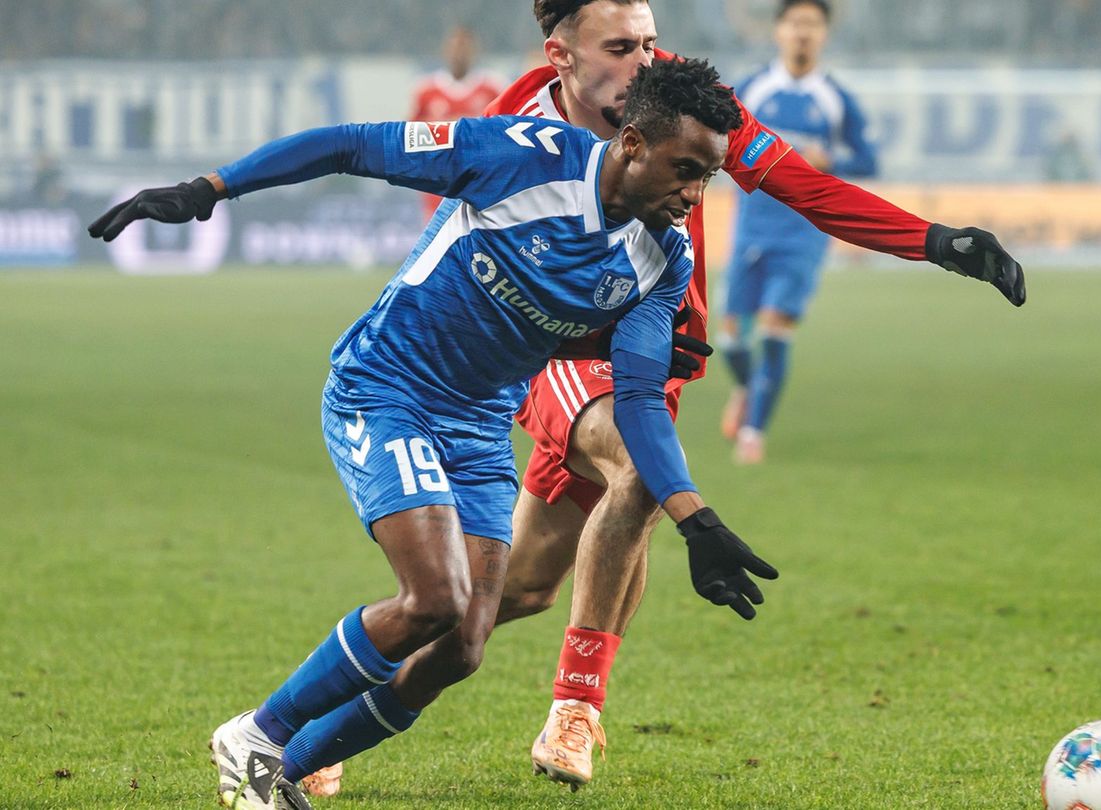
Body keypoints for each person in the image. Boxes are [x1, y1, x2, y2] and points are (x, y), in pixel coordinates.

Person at [308, 0, 1025, 795]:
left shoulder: (684, 101)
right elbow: (457, 241)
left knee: (512, 595)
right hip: (562, 351)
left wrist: (932, 241)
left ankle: (322, 728)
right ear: (564, 52)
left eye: (649, 40)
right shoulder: (516, 115)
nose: (643, 59)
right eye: (621, 45)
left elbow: (800, 184)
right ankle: (576, 708)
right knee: (644, 474)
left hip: (655, 351)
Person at [88, 58, 778, 810]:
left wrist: (695, 520)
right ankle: (258, 735)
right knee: (434, 599)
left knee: (463, 645)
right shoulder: (521, 157)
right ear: (632, 142)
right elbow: (354, 143)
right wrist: (210, 189)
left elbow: (641, 401)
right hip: (387, 390)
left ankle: (286, 770)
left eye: (708, 177)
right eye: (684, 169)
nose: (693, 194)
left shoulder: (662, 261)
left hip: (479, 427)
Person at [718, 0, 878, 464]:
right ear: (779, 31)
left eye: (812, 25)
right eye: (795, 23)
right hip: (752, 225)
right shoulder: (753, 88)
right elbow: (717, 138)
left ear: (823, 35)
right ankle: (751, 389)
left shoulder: (836, 99)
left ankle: (753, 434)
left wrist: (834, 164)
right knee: (730, 338)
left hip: (805, 231)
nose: (803, 33)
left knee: (773, 329)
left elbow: (868, 160)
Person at [409, 25, 505, 219]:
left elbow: (504, 132)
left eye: (464, 48)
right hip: (439, 184)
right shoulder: (427, 91)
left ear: (473, 51)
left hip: (479, 182)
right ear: (445, 51)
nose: (459, 54)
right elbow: (410, 136)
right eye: (454, 48)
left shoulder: (492, 88)